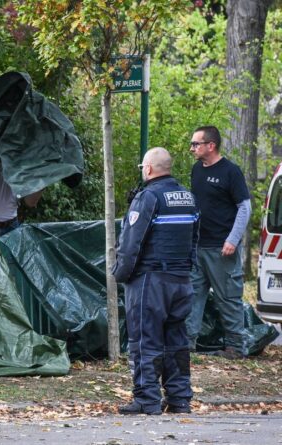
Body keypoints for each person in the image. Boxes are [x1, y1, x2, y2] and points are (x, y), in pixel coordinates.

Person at [113, 147, 199, 415]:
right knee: (176, 341)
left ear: (148, 168)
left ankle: (146, 399)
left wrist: (120, 274)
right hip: (181, 279)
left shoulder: (148, 197)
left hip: (150, 280)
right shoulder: (188, 197)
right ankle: (179, 399)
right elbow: (195, 238)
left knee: (144, 340)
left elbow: (131, 243)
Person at [185, 126, 251, 359]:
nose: (192, 148)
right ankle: (187, 345)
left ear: (210, 146)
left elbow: (245, 207)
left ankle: (235, 348)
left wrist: (232, 240)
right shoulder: (196, 170)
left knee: (228, 298)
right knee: (191, 295)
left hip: (222, 249)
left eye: (196, 144)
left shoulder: (230, 172)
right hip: (198, 247)